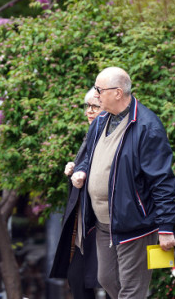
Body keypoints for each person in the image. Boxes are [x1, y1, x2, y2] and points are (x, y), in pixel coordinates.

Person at [70, 67, 175, 299]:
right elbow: (87, 157)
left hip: (134, 224)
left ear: (118, 93)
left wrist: (166, 227)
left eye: (100, 90)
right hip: (103, 223)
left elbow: (162, 180)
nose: (96, 95)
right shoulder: (100, 121)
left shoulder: (147, 126)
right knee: (106, 279)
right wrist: (80, 170)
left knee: (131, 289)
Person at [49, 89, 102, 299]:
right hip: (85, 225)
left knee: (106, 282)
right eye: (87, 106)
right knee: (77, 277)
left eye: (95, 106)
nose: (89, 111)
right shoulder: (91, 133)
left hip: (100, 224)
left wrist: (83, 171)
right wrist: (76, 167)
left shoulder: (107, 135)